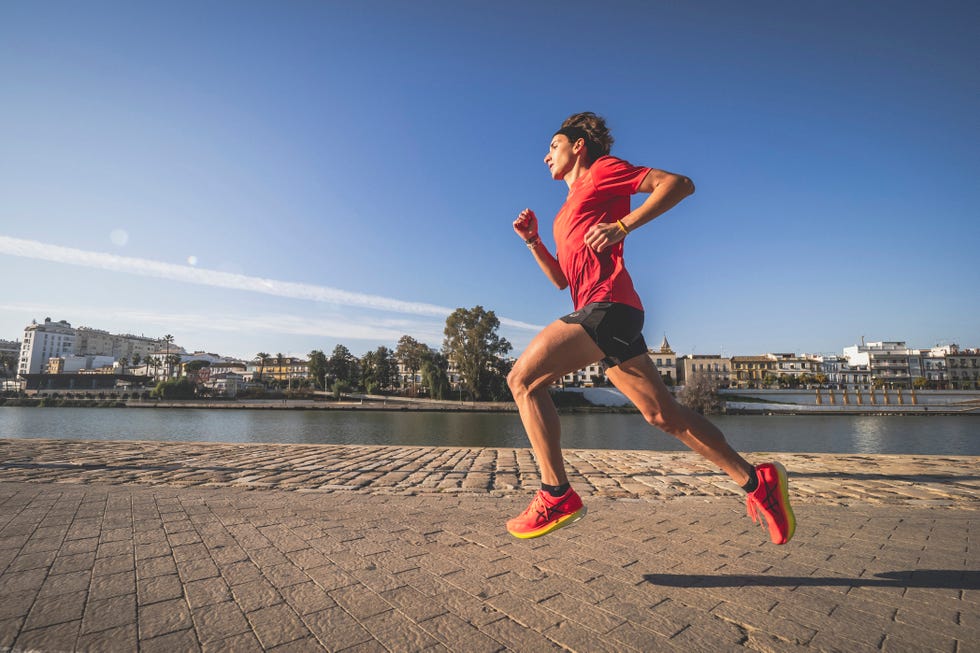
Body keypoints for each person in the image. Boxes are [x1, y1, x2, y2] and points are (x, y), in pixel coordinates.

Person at [506, 112, 795, 544]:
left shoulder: (603, 171)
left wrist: (623, 225)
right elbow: (562, 280)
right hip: (606, 313)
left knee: (523, 380)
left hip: (609, 308)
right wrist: (533, 242)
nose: (546, 155)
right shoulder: (564, 211)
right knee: (664, 415)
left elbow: (678, 184)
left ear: (578, 146)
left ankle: (556, 494)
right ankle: (757, 483)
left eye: (553, 145)